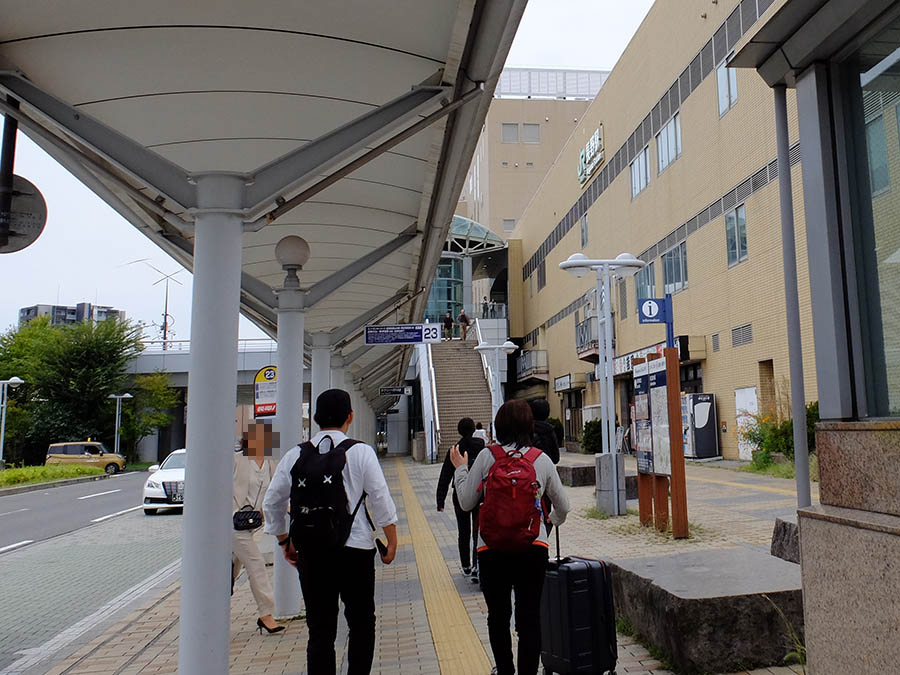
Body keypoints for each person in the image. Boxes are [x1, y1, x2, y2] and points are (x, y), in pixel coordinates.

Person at [264, 389, 398, 675]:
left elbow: (271, 502)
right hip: (356, 550)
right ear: (350, 417)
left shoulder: (295, 455)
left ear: (315, 419)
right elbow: (380, 497)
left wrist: (284, 540)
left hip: (311, 551)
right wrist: (392, 540)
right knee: (362, 622)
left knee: (320, 629)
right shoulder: (361, 452)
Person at [451, 400, 570, 675]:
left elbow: (467, 502)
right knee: (530, 617)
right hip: (533, 547)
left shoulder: (486, 457)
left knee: (498, 616)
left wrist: (460, 468)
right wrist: (549, 522)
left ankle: (505, 671)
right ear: (529, 426)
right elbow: (563, 506)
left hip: (491, 549)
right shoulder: (540, 459)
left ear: (499, 426)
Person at [232, 424, 281, 634]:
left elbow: (277, 489)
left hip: (251, 524)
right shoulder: (238, 460)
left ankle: (211, 608)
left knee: (229, 571)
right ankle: (266, 614)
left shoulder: (270, 462)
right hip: (232, 523)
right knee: (256, 564)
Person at [435, 418, 485, 577]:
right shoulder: (481, 447)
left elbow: (445, 476)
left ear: (459, 431)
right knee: (478, 531)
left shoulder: (455, 450)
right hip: (480, 494)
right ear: (473, 429)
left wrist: (440, 500)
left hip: (460, 494)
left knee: (463, 532)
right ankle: (478, 565)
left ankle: (465, 566)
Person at [528, 398, 560, 464]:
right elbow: (555, 458)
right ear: (547, 413)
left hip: (528, 468)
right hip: (546, 468)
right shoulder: (549, 431)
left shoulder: (525, 430)